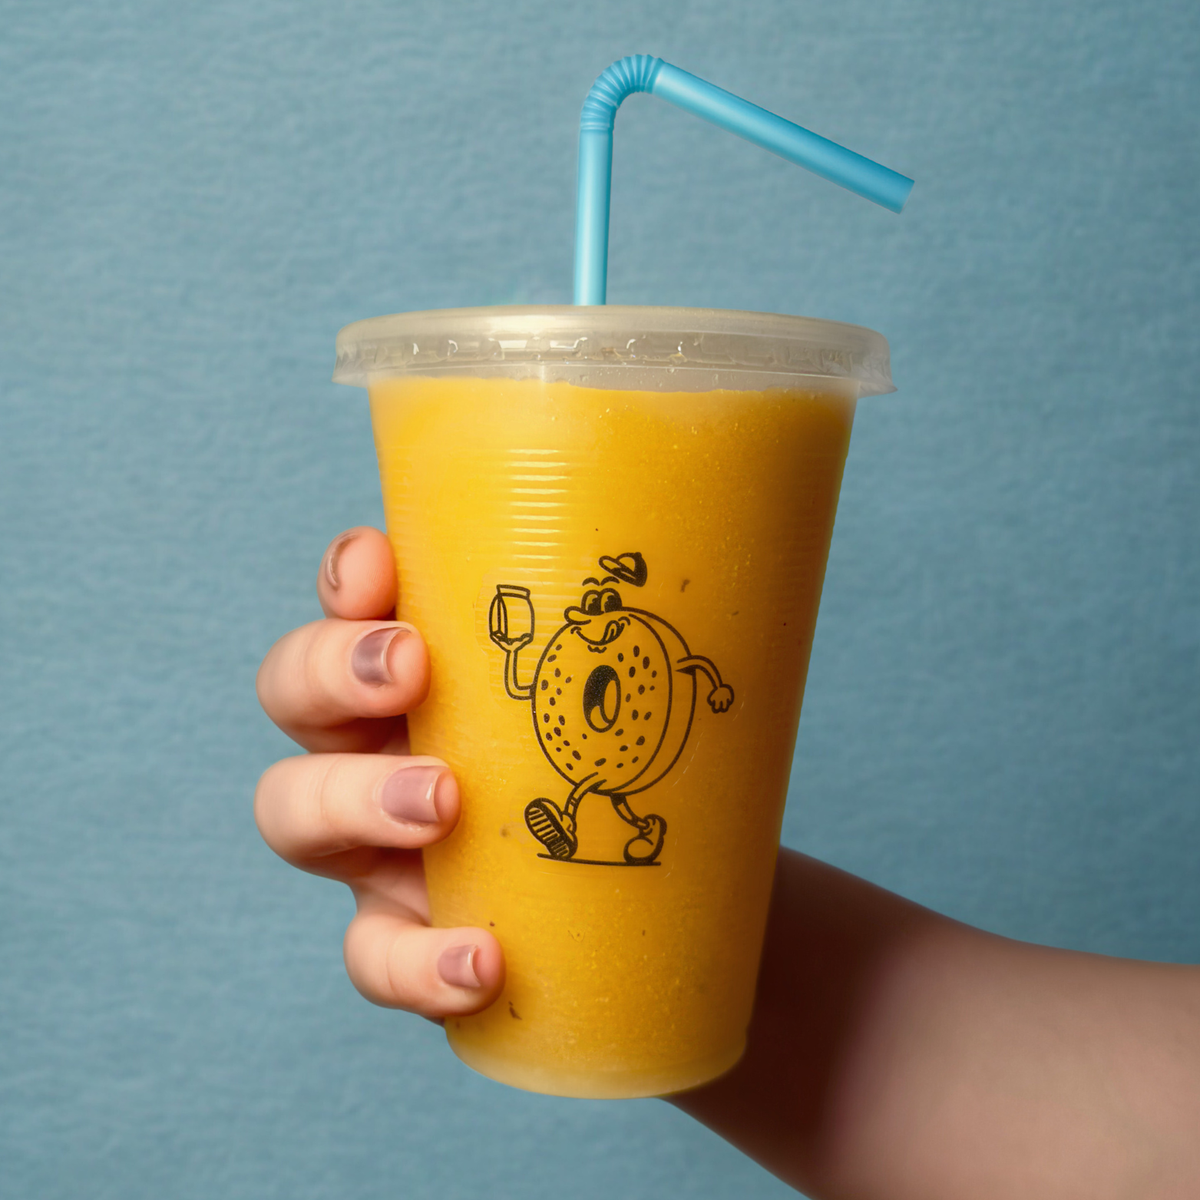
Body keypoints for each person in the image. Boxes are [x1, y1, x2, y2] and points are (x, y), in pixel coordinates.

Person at [255, 527, 1200, 1200]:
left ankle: (612, 831)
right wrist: (640, 931)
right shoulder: (581, 649)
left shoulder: (651, 651)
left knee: (610, 791)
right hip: (580, 813)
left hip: (624, 777)